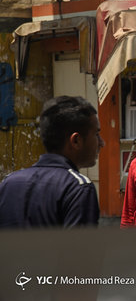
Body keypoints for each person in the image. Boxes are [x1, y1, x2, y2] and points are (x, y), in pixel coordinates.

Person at [0, 96, 104, 228]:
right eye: (96, 134)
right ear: (76, 141)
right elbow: (79, 247)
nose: (102, 143)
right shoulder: (77, 188)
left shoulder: (9, 183)